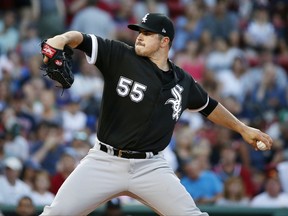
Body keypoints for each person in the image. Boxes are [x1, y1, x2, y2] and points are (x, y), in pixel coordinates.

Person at [39, 13, 273, 216]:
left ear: (165, 41)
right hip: (104, 161)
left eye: (148, 33)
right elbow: (81, 39)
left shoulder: (183, 81)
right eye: (139, 31)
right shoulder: (121, 55)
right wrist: (60, 39)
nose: (140, 36)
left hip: (150, 167)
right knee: (56, 213)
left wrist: (243, 128)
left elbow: (209, 107)